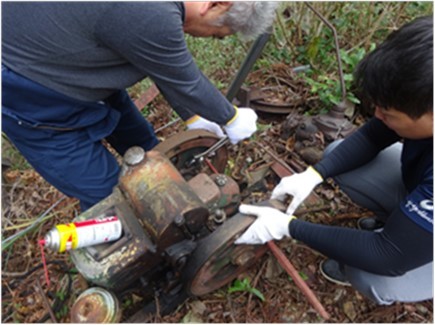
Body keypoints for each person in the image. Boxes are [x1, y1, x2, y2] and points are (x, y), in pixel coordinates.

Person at [2, 2, 278, 211]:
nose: (207, 38)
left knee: (149, 150)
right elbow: (186, 80)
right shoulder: (151, 12)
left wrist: (193, 116)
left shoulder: (158, 10)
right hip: (32, 97)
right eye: (218, 34)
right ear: (217, 4)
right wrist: (230, 118)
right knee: (111, 197)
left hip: (70, 61)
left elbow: (160, 62)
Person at [235, 16, 433, 305]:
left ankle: (414, 240)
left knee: (373, 274)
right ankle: (409, 224)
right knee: (337, 154)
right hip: (424, 186)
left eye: (389, 113)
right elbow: (371, 137)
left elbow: (387, 256)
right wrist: (314, 175)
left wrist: (289, 227)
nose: (378, 115)